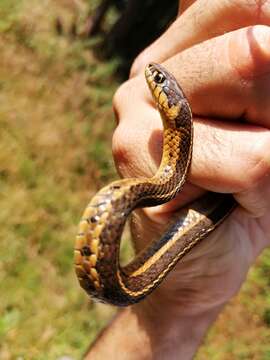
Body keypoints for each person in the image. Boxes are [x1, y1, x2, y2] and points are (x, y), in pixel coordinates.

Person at [86, 0, 270, 358]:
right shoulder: (169, 180)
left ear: (172, 115)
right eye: (158, 80)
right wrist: (174, 307)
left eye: (160, 82)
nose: (156, 78)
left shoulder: (168, 176)